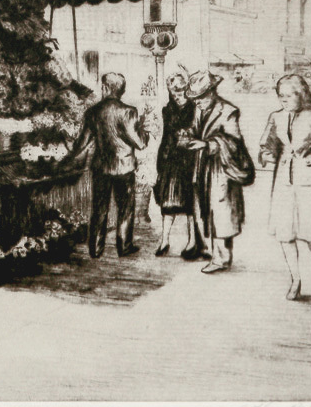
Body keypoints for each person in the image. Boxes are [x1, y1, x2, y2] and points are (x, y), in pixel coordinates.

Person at [60, 72, 150, 258]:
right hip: (124, 168)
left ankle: (95, 249)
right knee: (125, 209)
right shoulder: (129, 111)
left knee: (99, 209)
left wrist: (68, 153)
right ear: (120, 90)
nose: (102, 89)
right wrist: (144, 130)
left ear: (107, 88)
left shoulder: (93, 112)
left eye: (103, 86)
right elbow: (140, 143)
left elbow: (81, 144)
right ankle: (124, 246)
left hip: (101, 167)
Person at [259, 74, 311, 300]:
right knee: (285, 233)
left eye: (289, 95)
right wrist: (266, 153)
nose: (284, 100)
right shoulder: (276, 117)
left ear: (301, 95)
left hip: (309, 177)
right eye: (281, 96)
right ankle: (296, 280)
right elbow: (266, 143)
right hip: (283, 179)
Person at [180, 70, 255, 274]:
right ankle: (210, 250)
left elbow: (234, 143)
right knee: (204, 209)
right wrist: (187, 136)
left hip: (221, 169)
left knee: (221, 211)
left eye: (200, 98)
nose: (197, 102)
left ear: (211, 92)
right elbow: (195, 129)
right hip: (202, 166)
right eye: (194, 99)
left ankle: (222, 257)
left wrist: (208, 144)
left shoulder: (228, 111)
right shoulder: (199, 109)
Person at [153, 71, 200, 258]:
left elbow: (197, 133)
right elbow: (166, 136)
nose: (177, 95)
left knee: (190, 203)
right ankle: (164, 240)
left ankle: (192, 241)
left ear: (186, 89)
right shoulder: (167, 109)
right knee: (168, 202)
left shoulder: (194, 108)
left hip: (189, 159)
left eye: (180, 90)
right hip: (171, 159)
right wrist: (161, 160)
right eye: (174, 91)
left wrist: (187, 135)